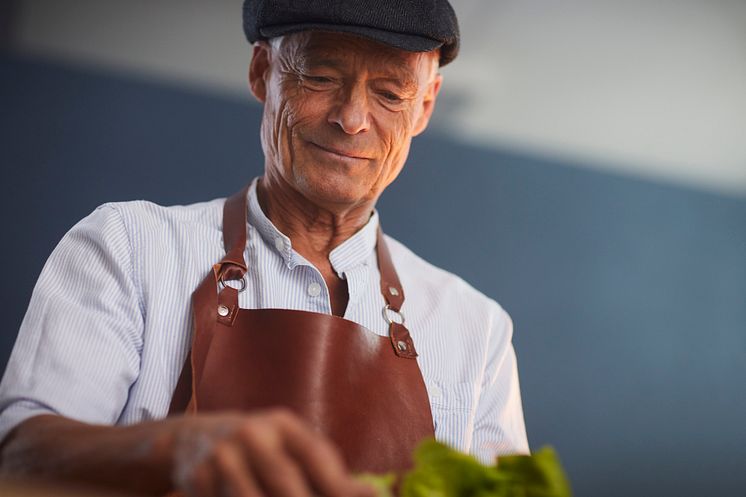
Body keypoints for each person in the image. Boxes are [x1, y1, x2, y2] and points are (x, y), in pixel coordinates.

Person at [0, 1, 529, 496]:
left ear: (425, 106)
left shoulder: (477, 330)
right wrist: (172, 447)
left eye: (390, 94)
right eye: (320, 77)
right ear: (261, 72)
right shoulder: (128, 246)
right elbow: (17, 454)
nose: (352, 118)